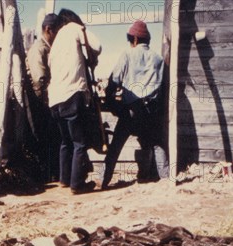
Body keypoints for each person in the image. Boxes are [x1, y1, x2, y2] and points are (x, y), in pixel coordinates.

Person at [101, 20, 169, 189]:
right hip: (150, 111)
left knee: (116, 146)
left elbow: (114, 80)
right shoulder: (159, 60)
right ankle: (166, 180)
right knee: (155, 144)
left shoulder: (127, 55)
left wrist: (110, 101)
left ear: (135, 40)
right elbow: (163, 88)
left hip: (131, 110)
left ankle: (103, 180)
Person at [48, 9, 101, 195]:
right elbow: (98, 46)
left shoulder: (55, 43)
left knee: (65, 141)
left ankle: (64, 179)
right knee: (80, 142)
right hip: (72, 93)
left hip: (54, 98)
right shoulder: (75, 28)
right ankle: (77, 184)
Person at [26, 13, 61, 183]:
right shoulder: (39, 49)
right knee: (46, 140)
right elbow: (39, 81)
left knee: (53, 140)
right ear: (49, 30)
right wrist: (47, 106)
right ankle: (46, 176)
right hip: (42, 105)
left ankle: (53, 174)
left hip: (48, 103)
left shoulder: (48, 48)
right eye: (57, 32)